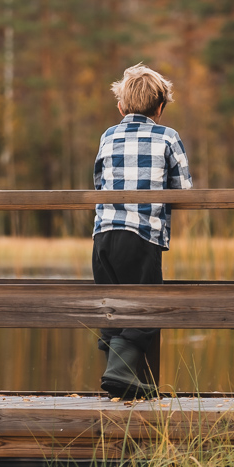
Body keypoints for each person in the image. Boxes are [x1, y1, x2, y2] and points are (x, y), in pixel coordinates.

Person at [91, 63, 192, 399]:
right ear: (160, 108)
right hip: (142, 234)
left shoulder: (108, 135)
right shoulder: (168, 136)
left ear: (121, 106)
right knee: (150, 307)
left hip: (103, 235)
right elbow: (183, 190)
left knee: (112, 306)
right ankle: (120, 372)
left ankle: (123, 383)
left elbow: (97, 181)